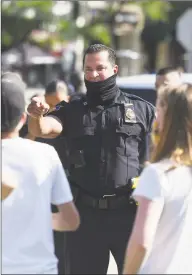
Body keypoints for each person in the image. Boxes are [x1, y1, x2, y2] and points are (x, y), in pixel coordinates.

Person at [27, 44, 155, 274]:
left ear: (114, 69)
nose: (93, 75)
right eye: (88, 69)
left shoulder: (140, 109)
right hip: (86, 217)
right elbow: (44, 129)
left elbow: (165, 148)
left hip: (128, 214)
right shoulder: (73, 108)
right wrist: (36, 115)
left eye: (100, 68)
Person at [2, 72, 80, 274]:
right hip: (41, 269)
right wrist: (37, 217)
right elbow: (71, 220)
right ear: (22, 118)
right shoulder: (46, 154)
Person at [123, 83, 192, 274]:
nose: (155, 114)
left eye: (159, 107)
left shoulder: (158, 174)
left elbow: (141, 243)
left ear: (169, 117)